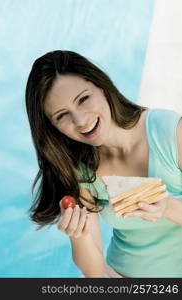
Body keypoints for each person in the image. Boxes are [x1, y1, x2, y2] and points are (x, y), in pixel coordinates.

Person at [25, 50, 182, 278]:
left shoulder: (169, 132)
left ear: (101, 86)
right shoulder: (80, 169)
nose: (80, 120)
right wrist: (79, 235)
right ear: (53, 127)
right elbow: (94, 271)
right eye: (62, 115)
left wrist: (167, 207)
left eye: (83, 99)